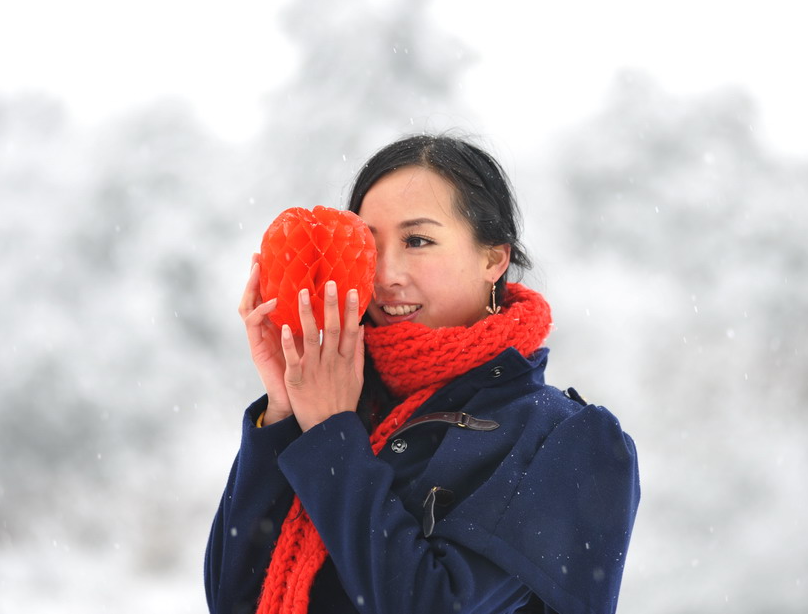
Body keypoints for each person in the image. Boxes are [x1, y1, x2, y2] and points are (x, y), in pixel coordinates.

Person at [204, 135, 640, 614]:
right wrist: (284, 413)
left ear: (494, 259)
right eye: (369, 245)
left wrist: (331, 436)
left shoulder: (567, 440)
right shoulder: (346, 408)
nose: (386, 273)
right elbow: (232, 598)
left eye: (418, 241)